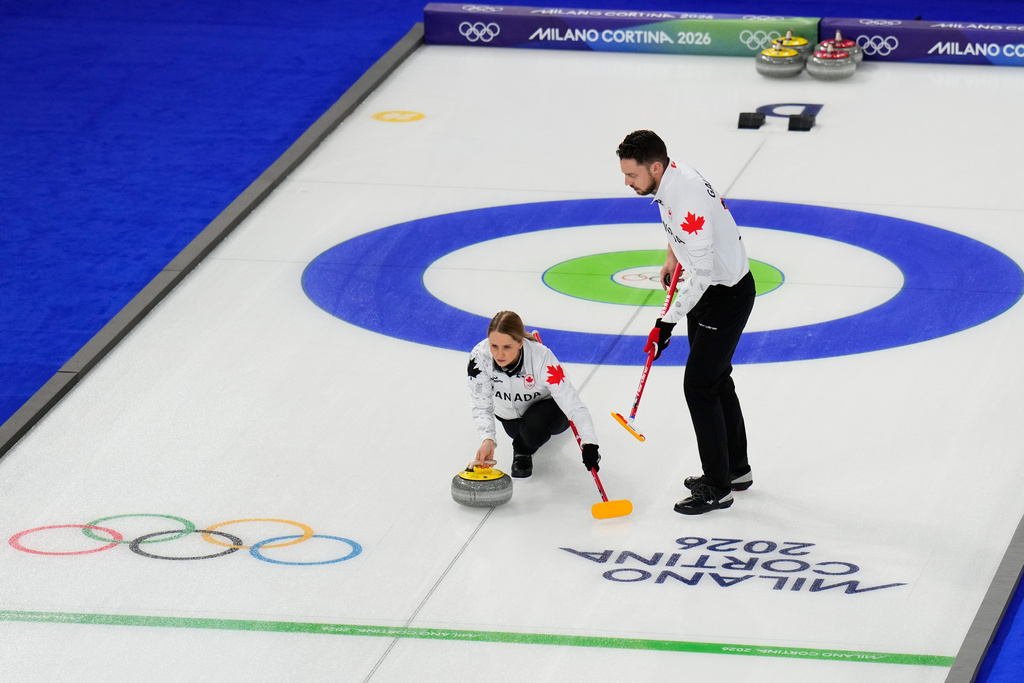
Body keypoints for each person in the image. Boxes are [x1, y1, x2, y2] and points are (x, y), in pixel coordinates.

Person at [616, 129, 756, 515]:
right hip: (709, 293)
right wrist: (672, 257)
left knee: (699, 386)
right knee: (715, 379)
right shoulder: (669, 182)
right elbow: (681, 232)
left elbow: (704, 274)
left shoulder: (687, 194)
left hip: (722, 295)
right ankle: (736, 470)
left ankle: (717, 486)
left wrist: (666, 322)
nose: (627, 182)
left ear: (655, 166)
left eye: (632, 175)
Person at [467, 311, 601, 479]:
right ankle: (525, 438)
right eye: (494, 346)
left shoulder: (542, 358)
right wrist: (487, 438)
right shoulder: (480, 357)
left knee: (536, 424)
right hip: (510, 420)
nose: (499, 354)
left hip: (549, 412)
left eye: (507, 347)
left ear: (521, 343)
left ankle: (522, 450)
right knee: (526, 431)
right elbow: (481, 402)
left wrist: (589, 443)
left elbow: (572, 403)